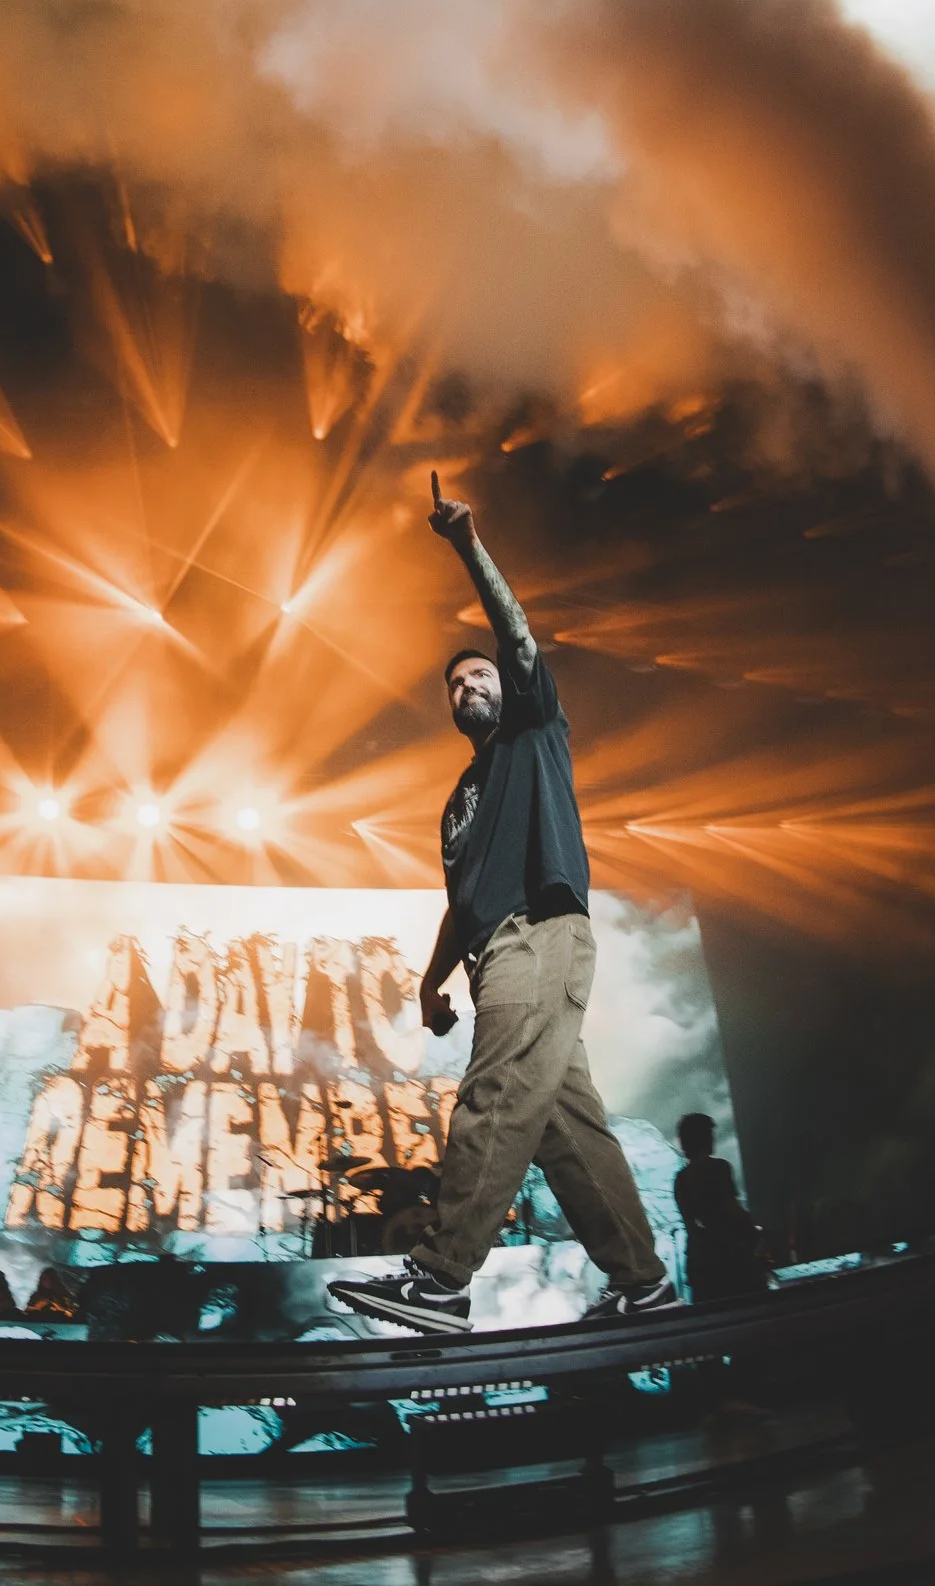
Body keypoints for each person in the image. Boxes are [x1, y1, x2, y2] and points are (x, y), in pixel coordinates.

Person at [331, 475, 675, 1335]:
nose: (467, 687)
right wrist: (429, 981)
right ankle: (644, 1284)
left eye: (477, 674)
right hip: (496, 951)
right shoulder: (457, 802)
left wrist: (466, 545)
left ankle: (443, 1279)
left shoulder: (535, 730)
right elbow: (459, 902)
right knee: (566, 1130)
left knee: (490, 1095)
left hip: (541, 933)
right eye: (455, 685)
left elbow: (516, 636)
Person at [673, 1113, 768, 1302]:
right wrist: (755, 1233)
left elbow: (690, 1226)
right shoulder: (719, 1168)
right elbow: (731, 1208)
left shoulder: (680, 1179)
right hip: (733, 1259)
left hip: (702, 1263)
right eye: (710, 1133)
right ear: (704, 1137)